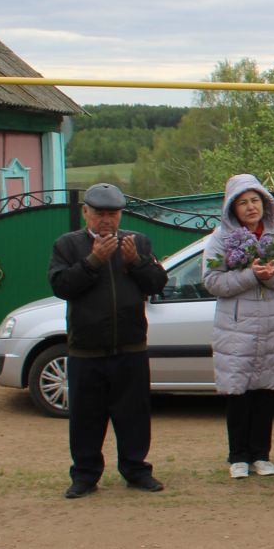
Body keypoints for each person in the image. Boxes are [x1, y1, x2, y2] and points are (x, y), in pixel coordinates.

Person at [47, 182, 168, 499]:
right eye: (99, 213)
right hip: (86, 350)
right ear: (85, 212)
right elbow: (61, 286)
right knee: (86, 418)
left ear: (120, 215)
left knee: (134, 416)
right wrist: (93, 262)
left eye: (112, 214)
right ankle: (85, 476)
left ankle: (136, 470)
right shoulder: (68, 245)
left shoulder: (137, 242)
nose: (106, 220)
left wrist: (137, 264)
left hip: (130, 347)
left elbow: (157, 282)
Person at [203, 175, 274, 479]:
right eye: (243, 202)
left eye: (255, 200)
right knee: (239, 393)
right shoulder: (219, 238)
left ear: (264, 203)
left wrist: (271, 276)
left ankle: (262, 455)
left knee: (265, 393)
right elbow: (212, 281)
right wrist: (250, 276)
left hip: (272, 324)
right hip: (237, 326)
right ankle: (238, 456)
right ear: (233, 207)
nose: (250, 207)